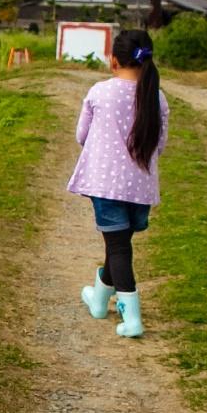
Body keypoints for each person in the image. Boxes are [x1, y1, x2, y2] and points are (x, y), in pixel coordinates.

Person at [67, 29, 170, 338]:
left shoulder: (100, 92)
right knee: (120, 244)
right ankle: (99, 301)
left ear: (113, 60)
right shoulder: (157, 97)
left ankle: (132, 318)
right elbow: (160, 145)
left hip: (107, 186)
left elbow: (81, 136)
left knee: (119, 248)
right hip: (141, 189)